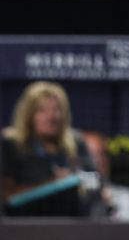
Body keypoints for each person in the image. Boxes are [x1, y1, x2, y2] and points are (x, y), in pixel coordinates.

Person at [1, 82, 99, 216]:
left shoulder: (76, 142)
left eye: (57, 109)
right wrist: (54, 185)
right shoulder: (10, 145)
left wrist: (77, 178)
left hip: (74, 224)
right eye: (42, 110)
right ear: (29, 115)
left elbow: (95, 179)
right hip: (25, 226)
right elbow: (6, 196)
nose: (52, 117)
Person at [82, 132, 129, 221]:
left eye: (102, 154)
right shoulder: (65, 203)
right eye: (91, 155)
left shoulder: (128, 200)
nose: (98, 160)